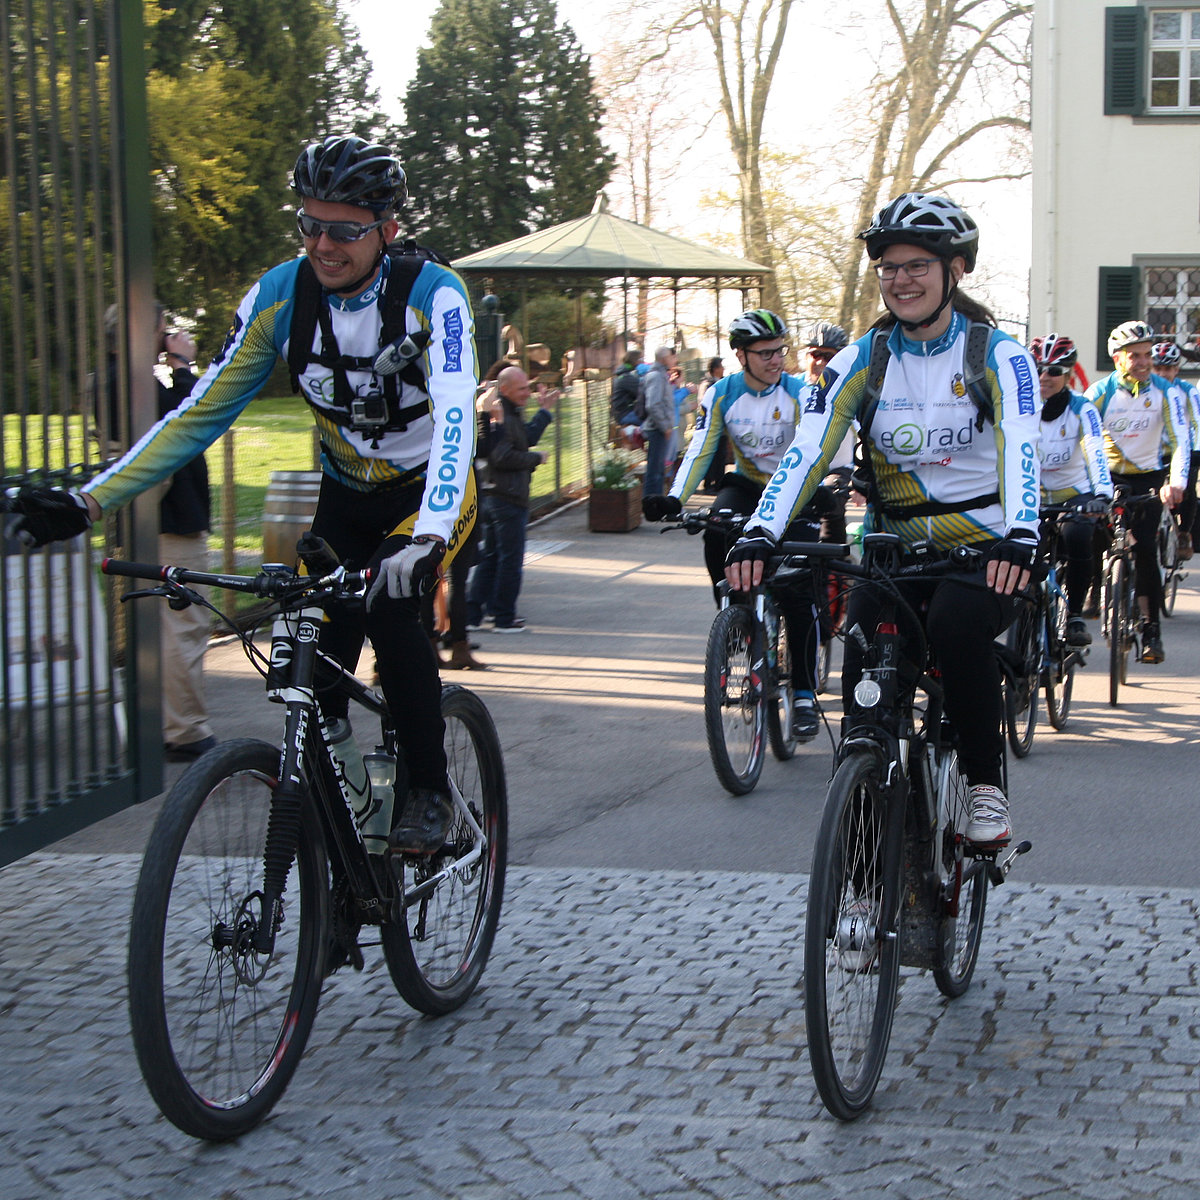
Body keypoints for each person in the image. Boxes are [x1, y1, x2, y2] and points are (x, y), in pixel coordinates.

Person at [9, 134, 478, 856]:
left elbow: (454, 417)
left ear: (386, 228)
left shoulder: (432, 295)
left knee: (389, 608)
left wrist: (427, 537)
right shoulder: (278, 296)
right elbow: (199, 415)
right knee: (306, 659)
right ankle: (357, 828)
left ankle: (427, 791)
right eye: (310, 224)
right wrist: (88, 502)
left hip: (429, 492)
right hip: (345, 494)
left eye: (345, 230)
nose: (323, 244)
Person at [725, 192, 1042, 847]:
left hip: (982, 551)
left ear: (955, 269)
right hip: (895, 550)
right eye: (889, 268)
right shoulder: (862, 360)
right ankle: (867, 864)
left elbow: (1022, 447)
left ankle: (984, 787)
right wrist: (761, 527)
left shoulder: (998, 356)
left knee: (958, 627)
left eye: (917, 265)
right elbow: (809, 449)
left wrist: (1022, 535)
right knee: (865, 673)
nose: (901, 280)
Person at [641, 309, 827, 741]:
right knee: (715, 531)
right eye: (765, 353)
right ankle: (737, 620)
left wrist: (826, 485)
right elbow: (702, 449)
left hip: (795, 488)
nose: (776, 359)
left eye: (780, 350)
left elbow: (819, 445)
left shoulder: (801, 391)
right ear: (741, 355)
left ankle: (802, 693)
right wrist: (674, 497)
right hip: (745, 485)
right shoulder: (722, 393)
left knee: (798, 589)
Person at [1085, 321, 1190, 664]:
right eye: (1135, 355)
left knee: (1145, 548)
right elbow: (1082, 440)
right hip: (1108, 477)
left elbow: (1180, 442)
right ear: (1117, 358)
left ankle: (1150, 629)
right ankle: (1093, 590)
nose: (1144, 362)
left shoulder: (1167, 392)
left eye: (1147, 355)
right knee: (1092, 538)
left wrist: (1176, 482)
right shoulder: (1099, 393)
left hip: (1149, 477)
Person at [1028, 332, 1112, 646]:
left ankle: (1075, 614)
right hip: (1030, 495)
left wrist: (1101, 494)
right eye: (1038, 369)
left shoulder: (1082, 408)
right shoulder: (1019, 405)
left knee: (1078, 538)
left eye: (1054, 371)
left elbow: (1095, 448)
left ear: (1067, 374)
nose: (1044, 377)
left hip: (1074, 495)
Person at [466, 366, 556, 632]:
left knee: (492, 557)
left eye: (528, 388)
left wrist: (544, 412)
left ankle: (473, 615)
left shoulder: (505, 410)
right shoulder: (498, 412)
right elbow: (502, 456)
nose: (527, 393)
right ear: (504, 389)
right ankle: (504, 617)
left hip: (499, 496)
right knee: (509, 560)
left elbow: (524, 438)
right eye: (522, 389)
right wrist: (535, 459)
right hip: (507, 497)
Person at [1151, 340, 1199, 561]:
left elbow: (1198, 422)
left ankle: (1183, 533)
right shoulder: (1144, 391)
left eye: (1168, 368)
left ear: (1177, 369)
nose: (1163, 373)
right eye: (1158, 368)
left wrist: (1196, 451)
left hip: (1183, 448)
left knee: (1187, 488)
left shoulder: (1187, 391)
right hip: (1153, 452)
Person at [640, 346, 677, 498]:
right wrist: (664, 426)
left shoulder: (662, 375)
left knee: (659, 467)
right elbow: (653, 404)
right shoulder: (656, 376)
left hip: (661, 429)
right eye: (671, 357)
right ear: (663, 358)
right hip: (657, 429)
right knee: (655, 468)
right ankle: (651, 500)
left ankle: (656, 499)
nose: (674, 359)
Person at [698, 356, 728, 491]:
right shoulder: (709, 384)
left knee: (720, 455)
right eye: (721, 367)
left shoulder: (719, 382)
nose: (723, 369)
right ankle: (710, 483)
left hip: (721, 426)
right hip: (713, 427)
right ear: (716, 369)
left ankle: (718, 482)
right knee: (714, 455)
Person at [610, 348, 643, 427]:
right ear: (635, 361)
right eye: (641, 358)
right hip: (625, 414)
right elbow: (644, 393)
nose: (643, 361)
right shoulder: (627, 377)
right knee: (654, 423)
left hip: (625, 412)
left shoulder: (625, 373)